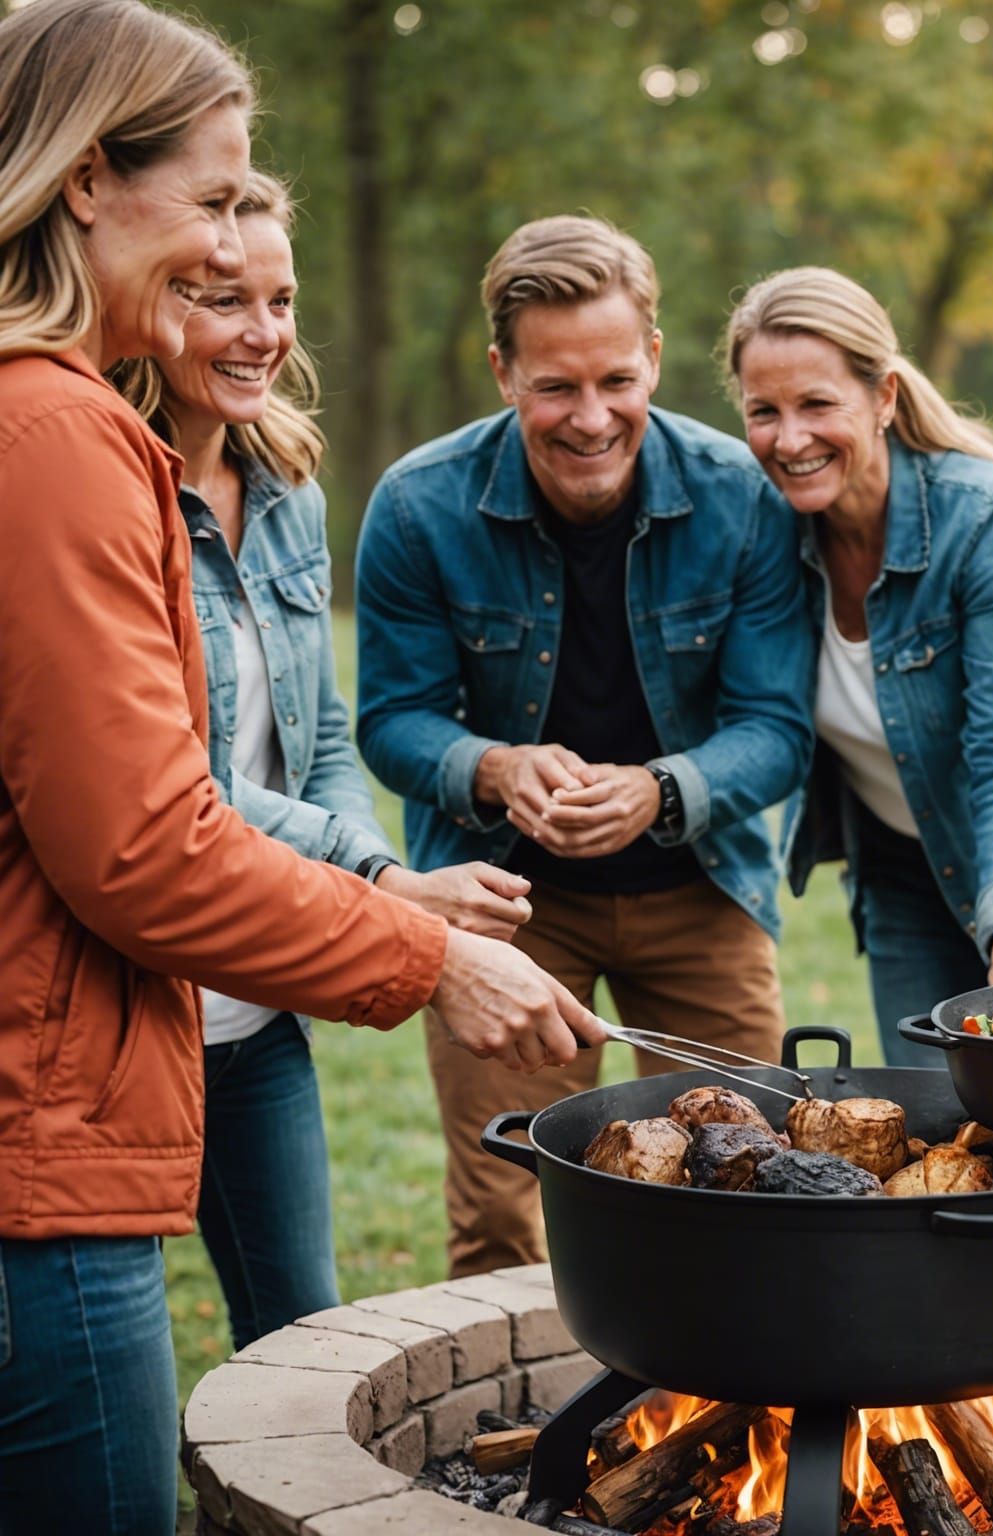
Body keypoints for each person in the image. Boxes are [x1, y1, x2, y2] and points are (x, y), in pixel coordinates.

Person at [0, 5, 601, 1530]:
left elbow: (294, 747)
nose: (225, 266)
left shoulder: (127, 447)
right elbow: (145, 844)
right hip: (38, 1134)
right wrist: (426, 951)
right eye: (205, 204)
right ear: (80, 182)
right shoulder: (54, 437)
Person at [111, 171, 540, 1348]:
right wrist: (388, 883)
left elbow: (318, 748)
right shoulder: (101, 486)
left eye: (281, 300)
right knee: (109, 1359)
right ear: (149, 300)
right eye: (221, 299)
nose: (263, 334)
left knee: (299, 1333)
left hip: (256, 1003)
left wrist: (375, 863)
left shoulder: (288, 488)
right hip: (127, 999)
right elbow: (182, 770)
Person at [355, 215, 814, 1274]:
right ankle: (528, 1437)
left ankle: (734, 1420)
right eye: (556, 386)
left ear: (654, 355)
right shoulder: (420, 507)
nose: (593, 417)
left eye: (617, 378)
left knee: (751, 1183)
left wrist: (662, 791)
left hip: (701, 891)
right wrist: (495, 768)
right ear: (503, 371)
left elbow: (778, 731)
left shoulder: (741, 496)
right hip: (506, 900)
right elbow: (388, 718)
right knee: (506, 1208)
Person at [723, 267, 993, 1065]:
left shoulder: (986, 517)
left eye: (818, 404)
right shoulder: (768, 535)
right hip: (904, 868)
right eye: (764, 412)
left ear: (884, 397)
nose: (789, 440)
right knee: (939, 1140)